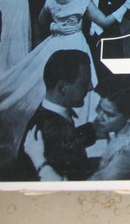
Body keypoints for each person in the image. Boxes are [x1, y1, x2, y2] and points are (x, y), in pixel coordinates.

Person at [0, 0, 130, 165]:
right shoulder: (83, 1)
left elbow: (42, 22)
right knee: (80, 87)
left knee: (44, 89)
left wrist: (57, 27)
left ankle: (51, 134)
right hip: (75, 43)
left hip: (53, 44)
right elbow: (105, 22)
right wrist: (126, 5)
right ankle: (80, 144)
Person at [23, 75, 130, 181]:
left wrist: (39, 161)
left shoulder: (126, 157)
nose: (99, 117)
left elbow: (75, 193)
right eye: (99, 108)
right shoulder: (128, 132)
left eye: (108, 114)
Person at [13, 50, 97, 181]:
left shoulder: (48, 116)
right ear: (62, 87)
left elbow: (67, 141)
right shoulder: (49, 129)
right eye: (84, 82)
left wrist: (94, 129)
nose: (91, 87)